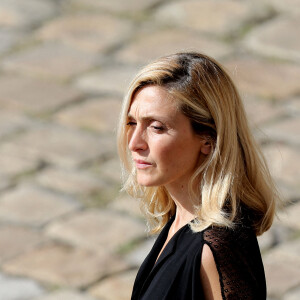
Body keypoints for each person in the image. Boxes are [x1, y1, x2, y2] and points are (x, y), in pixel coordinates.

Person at [117, 52, 279, 300]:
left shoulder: (217, 249)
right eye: (131, 123)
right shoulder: (180, 218)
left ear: (208, 138)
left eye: (156, 127)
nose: (135, 143)